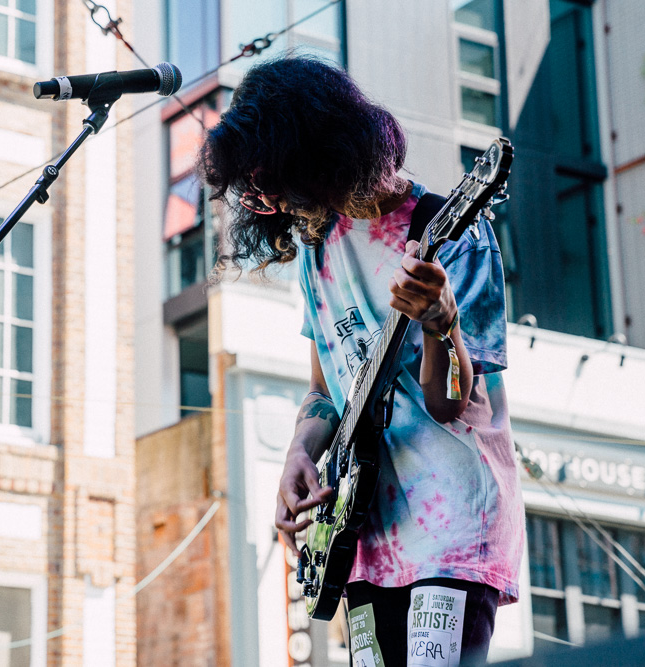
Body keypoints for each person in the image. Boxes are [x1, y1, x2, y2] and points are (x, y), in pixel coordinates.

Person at [199, 55, 524, 667]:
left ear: (315, 154)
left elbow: (452, 403)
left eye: (272, 183)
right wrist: (301, 451)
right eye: (257, 194)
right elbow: (327, 389)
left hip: (451, 523)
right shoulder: (317, 251)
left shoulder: (451, 232)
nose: (269, 204)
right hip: (365, 536)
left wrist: (439, 323)